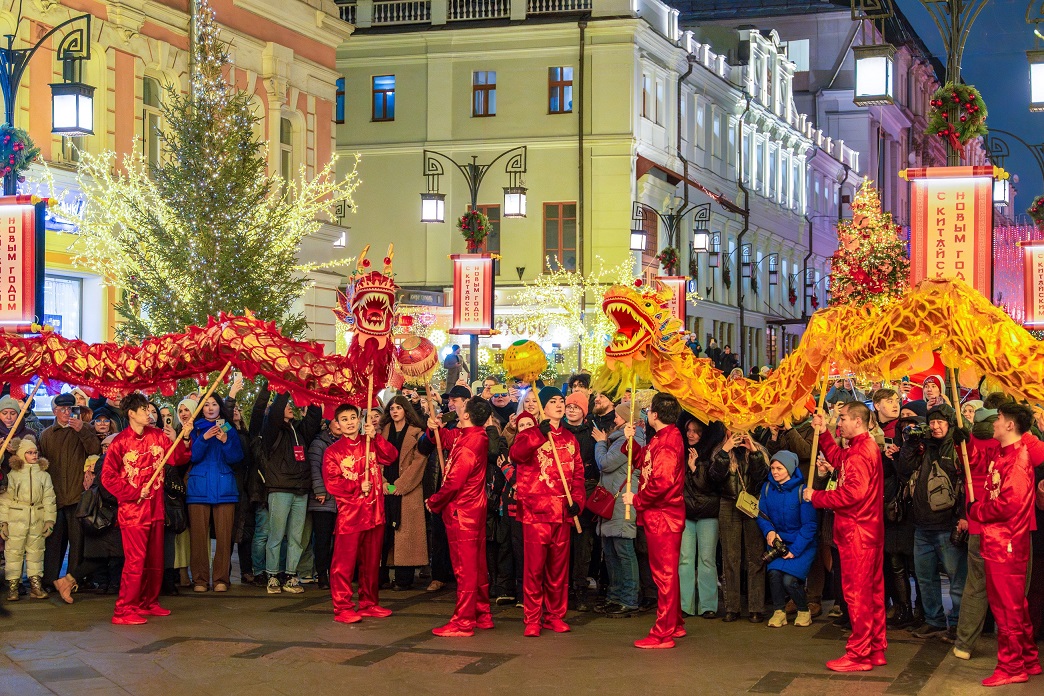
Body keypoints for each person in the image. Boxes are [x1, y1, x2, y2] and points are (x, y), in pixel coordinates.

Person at [803, 401, 887, 672]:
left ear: (858, 422)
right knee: (871, 593)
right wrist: (824, 434)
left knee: (857, 595)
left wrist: (816, 496)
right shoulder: (863, 447)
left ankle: (859, 653)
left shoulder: (861, 452)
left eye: (842, 419)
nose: (838, 423)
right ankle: (874, 648)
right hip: (867, 531)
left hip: (856, 533)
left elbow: (853, 494)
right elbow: (840, 459)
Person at [969, 402, 1041, 686]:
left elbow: (1008, 503)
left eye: (998, 418)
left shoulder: (1019, 459)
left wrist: (977, 511)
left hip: (1006, 544)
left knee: (1006, 608)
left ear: (1010, 424)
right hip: (998, 542)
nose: (995, 423)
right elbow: (981, 462)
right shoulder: (1003, 453)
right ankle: (1029, 658)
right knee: (1015, 606)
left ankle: (1012, 667)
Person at [101, 393, 188, 625]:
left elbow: (178, 458)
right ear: (131, 413)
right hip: (133, 512)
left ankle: (148, 602)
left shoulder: (158, 436)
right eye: (144, 410)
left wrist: (183, 437)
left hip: (156, 509)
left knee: (155, 561)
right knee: (135, 562)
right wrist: (131, 492)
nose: (149, 414)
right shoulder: (119, 442)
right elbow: (107, 477)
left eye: (149, 410)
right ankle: (123, 609)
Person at [508, 387, 586, 637]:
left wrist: (577, 501)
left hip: (562, 513)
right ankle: (532, 618)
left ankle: (555, 615)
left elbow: (578, 474)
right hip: (535, 512)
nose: (560, 405)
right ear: (543, 407)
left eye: (561, 401)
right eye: (553, 401)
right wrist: (536, 435)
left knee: (558, 570)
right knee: (534, 569)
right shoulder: (530, 433)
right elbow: (516, 456)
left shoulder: (570, 438)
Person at [895, 403, 967, 642]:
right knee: (925, 579)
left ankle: (957, 624)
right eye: (932, 422)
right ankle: (934, 621)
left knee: (956, 579)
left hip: (947, 526)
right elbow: (904, 471)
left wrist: (962, 518)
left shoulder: (958, 447)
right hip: (921, 525)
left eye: (940, 423)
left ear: (949, 424)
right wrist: (910, 445)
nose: (935, 427)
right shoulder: (922, 446)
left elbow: (965, 482)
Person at [321, 403, 398, 624]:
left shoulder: (370, 443)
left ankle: (369, 603)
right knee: (343, 565)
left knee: (372, 563)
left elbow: (391, 457)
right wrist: (356, 487)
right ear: (337, 423)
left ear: (359, 419)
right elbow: (332, 483)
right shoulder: (332, 452)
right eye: (344, 419)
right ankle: (343, 606)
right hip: (350, 515)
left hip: (374, 512)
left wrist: (376, 438)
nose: (349, 422)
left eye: (353, 417)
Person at [426, 397, 495, 636]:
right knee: (476, 565)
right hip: (472, 511)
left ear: (466, 415)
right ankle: (482, 613)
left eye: (462, 406)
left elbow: (454, 482)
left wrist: (434, 501)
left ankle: (463, 621)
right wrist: (436, 428)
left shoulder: (469, 444)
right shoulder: (473, 436)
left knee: (465, 569)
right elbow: (445, 439)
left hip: (462, 512)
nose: (458, 407)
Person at [622, 392, 685, 648]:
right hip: (661, 515)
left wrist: (636, 499)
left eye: (649, 410)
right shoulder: (663, 438)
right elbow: (643, 460)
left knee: (664, 574)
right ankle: (676, 623)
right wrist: (631, 443)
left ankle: (663, 632)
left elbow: (662, 482)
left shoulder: (668, 442)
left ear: (655, 415)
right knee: (668, 573)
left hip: (663, 516)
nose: (646, 414)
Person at [260, 388, 322, 594]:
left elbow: (314, 415)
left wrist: (312, 389)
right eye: (287, 405)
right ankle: (272, 575)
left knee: (296, 537)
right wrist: (283, 388)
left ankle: (290, 575)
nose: (290, 407)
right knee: (276, 535)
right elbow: (276, 410)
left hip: (301, 490)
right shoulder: (271, 430)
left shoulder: (300, 430)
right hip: (280, 489)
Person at [40, 392, 102, 591]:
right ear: (54, 411)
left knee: (77, 543)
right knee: (54, 543)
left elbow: (95, 451)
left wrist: (83, 430)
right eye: (62, 409)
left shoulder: (85, 429)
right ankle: (49, 580)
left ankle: (74, 580)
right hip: (55, 496)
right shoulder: (46, 434)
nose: (67, 413)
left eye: (70, 409)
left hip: (77, 496)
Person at [592, 402, 645, 617]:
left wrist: (600, 443)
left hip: (622, 503)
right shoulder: (620, 438)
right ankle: (615, 596)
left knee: (624, 552)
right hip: (611, 504)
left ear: (626, 419)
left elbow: (605, 463)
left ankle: (629, 598)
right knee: (611, 552)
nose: (614, 420)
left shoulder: (631, 440)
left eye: (617, 416)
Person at [187, 395, 244, 593]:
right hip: (198, 489)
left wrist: (226, 440)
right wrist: (203, 439)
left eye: (214, 404)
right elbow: (191, 456)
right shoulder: (194, 429)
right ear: (201, 409)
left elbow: (237, 457)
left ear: (220, 407)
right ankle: (200, 580)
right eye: (206, 405)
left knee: (224, 537)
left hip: (225, 488)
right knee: (199, 538)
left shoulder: (228, 428)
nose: (210, 408)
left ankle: (221, 578)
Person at [757, 451, 817, 629]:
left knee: (789, 580)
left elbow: (810, 526)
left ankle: (804, 610)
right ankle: (779, 612)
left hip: (801, 543)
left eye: (779, 468)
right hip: (779, 541)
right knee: (774, 575)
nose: (775, 472)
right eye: (773, 468)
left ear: (790, 469)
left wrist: (795, 550)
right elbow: (762, 515)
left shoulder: (802, 491)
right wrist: (769, 531)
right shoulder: (767, 488)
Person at [714, 429, 769, 623]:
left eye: (740, 430)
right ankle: (732, 608)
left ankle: (756, 608)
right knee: (730, 557)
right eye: (731, 429)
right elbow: (714, 478)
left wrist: (753, 451)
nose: (736, 434)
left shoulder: (758, 450)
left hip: (752, 503)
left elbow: (762, 475)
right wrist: (724, 451)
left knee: (755, 557)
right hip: (728, 504)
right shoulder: (720, 450)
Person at [678, 416, 726, 619]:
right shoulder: (680, 451)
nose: (691, 434)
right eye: (689, 430)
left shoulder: (711, 454)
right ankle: (684, 605)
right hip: (687, 512)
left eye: (696, 431)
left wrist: (694, 468)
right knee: (685, 559)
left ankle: (708, 605)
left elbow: (709, 486)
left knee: (707, 559)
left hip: (708, 513)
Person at [379, 395, 429, 591]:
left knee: (405, 536)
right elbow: (376, 459)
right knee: (385, 535)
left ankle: (403, 579)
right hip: (384, 488)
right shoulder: (382, 433)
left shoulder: (417, 433)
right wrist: (383, 483)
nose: (394, 411)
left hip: (408, 489)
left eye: (398, 407)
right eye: (392, 408)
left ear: (406, 410)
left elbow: (419, 462)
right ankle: (381, 577)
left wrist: (400, 485)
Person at [1, 436, 56, 600]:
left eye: (35, 452)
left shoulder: (44, 476)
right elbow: (5, 500)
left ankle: (35, 584)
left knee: (36, 552)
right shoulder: (12, 476)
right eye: (29, 453)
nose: (34, 455)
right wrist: (3, 522)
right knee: (13, 552)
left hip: (37, 516)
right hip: (16, 516)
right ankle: (13, 586)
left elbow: (49, 499)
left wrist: (49, 520)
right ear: (21, 454)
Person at [564, 390, 597, 612]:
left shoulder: (591, 433)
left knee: (582, 547)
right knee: (563, 547)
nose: (572, 410)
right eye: (570, 406)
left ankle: (580, 588)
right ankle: (563, 590)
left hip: (584, 493)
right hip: (562, 492)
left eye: (577, 407)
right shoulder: (558, 431)